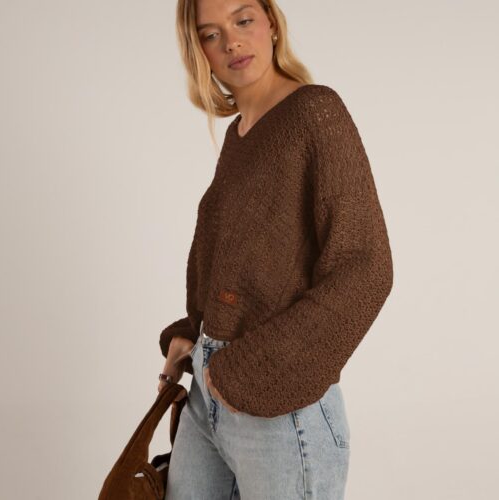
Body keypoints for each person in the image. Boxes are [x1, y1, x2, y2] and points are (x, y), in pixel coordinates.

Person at [157, 1, 394, 498]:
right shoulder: (238, 134)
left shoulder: (315, 112)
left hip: (281, 403)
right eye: (211, 34)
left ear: (271, 23)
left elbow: (365, 267)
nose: (232, 42)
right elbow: (240, 265)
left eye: (243, 20)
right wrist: (192, 334)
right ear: (199, 50)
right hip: (207, 391)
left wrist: (249, 372)